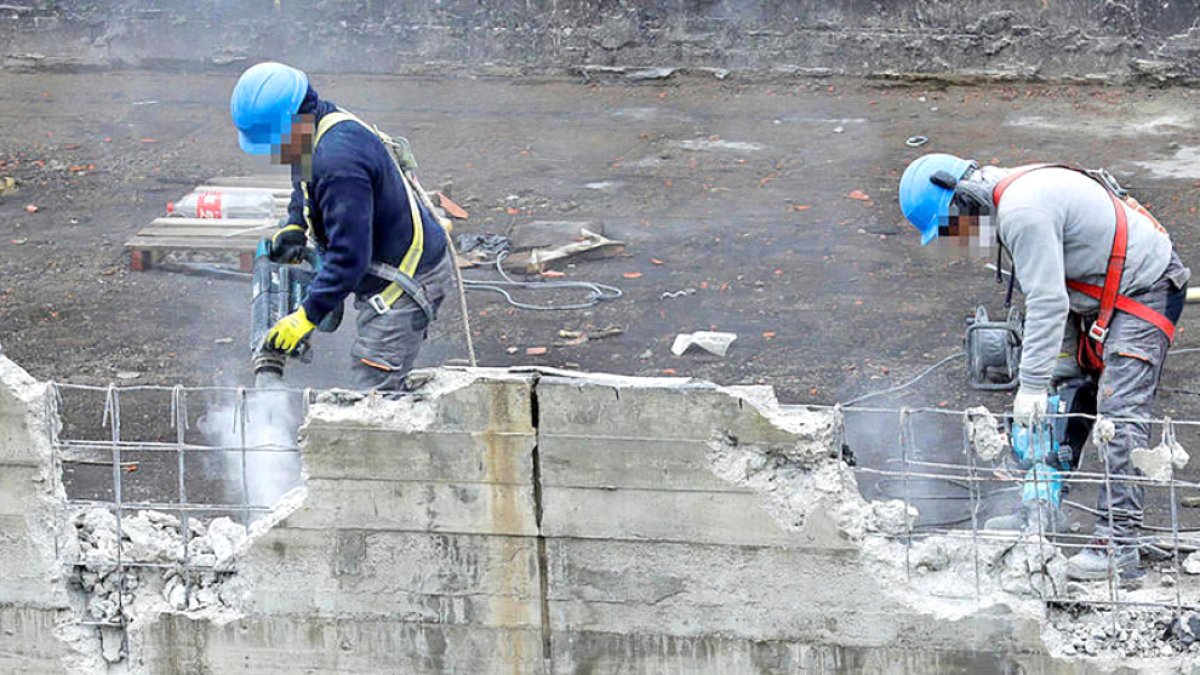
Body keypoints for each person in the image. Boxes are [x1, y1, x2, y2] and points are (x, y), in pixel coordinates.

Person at [898, 153, 1189, 580]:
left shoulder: (1022, 212)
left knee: (1118, 414)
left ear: (964, 201)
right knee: (1064, 393)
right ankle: (1041, 507)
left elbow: (1048, 302)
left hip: (1145, 287)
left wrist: (1030, 386)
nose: (957, 240)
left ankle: (1118, 545)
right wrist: (1047, 385)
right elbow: (1053, 295)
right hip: (1090, 290)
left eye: (951, 228)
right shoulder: (1007, 204)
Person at [230, 62, 453, 391]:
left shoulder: (338, 165)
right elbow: (301, 174)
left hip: (405, 282)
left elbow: (350, 258)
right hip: (385, 257)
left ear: (289, 124)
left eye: (275, 142)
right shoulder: (316, 121)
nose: (275, 152)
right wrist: (295, 224)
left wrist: (306, 316)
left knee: (374, 390)